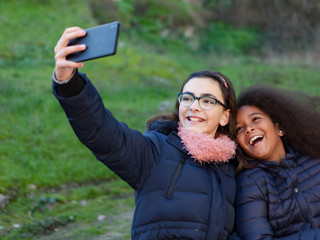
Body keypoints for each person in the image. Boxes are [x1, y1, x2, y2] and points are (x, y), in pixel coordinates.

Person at [52, 27, 239, 239]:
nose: (194, 106)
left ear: (225, 116)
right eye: (187, 98)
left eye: (207, 101)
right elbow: (102, 133)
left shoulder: (236, 167)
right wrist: (69, 83)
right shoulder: (155, 151)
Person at [233, 85, 320, 240]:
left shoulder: (313, 161)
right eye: (239, 128)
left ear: (279, 128)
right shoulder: (250, 182)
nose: (248, 129)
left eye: (255, 119)